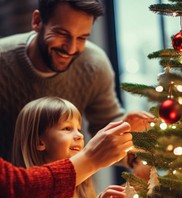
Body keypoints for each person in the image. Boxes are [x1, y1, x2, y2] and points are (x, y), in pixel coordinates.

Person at [0, 0, 154, 162]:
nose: (71, 49)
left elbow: (104, 125)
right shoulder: (3, 61)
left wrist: (129, 141)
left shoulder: (94, 65)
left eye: (82, 38)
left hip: (73, 185)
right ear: (37, 21)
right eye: (62, 34)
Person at [0, 120, 132, 198]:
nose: (80, 135)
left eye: (79, 129)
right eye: (67, 128)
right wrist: (89, 159)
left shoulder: (83, 189)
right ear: (40, 142)